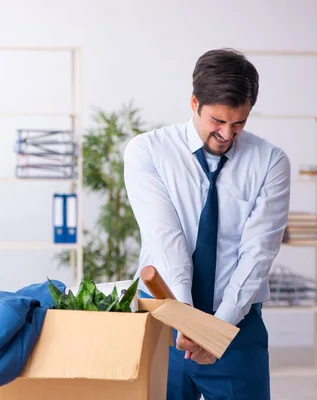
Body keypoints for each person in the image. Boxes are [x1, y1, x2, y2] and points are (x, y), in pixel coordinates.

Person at [123, 48, 290, 400]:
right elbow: (165, 239)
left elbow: (258, 253)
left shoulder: (271, 162)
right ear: (194, 102)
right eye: (217, 120)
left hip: (236, 324)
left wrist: (217, 330)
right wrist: (187, 322)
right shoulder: (147, 152)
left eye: (239, 123)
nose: (228, 134)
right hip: (162, 318)